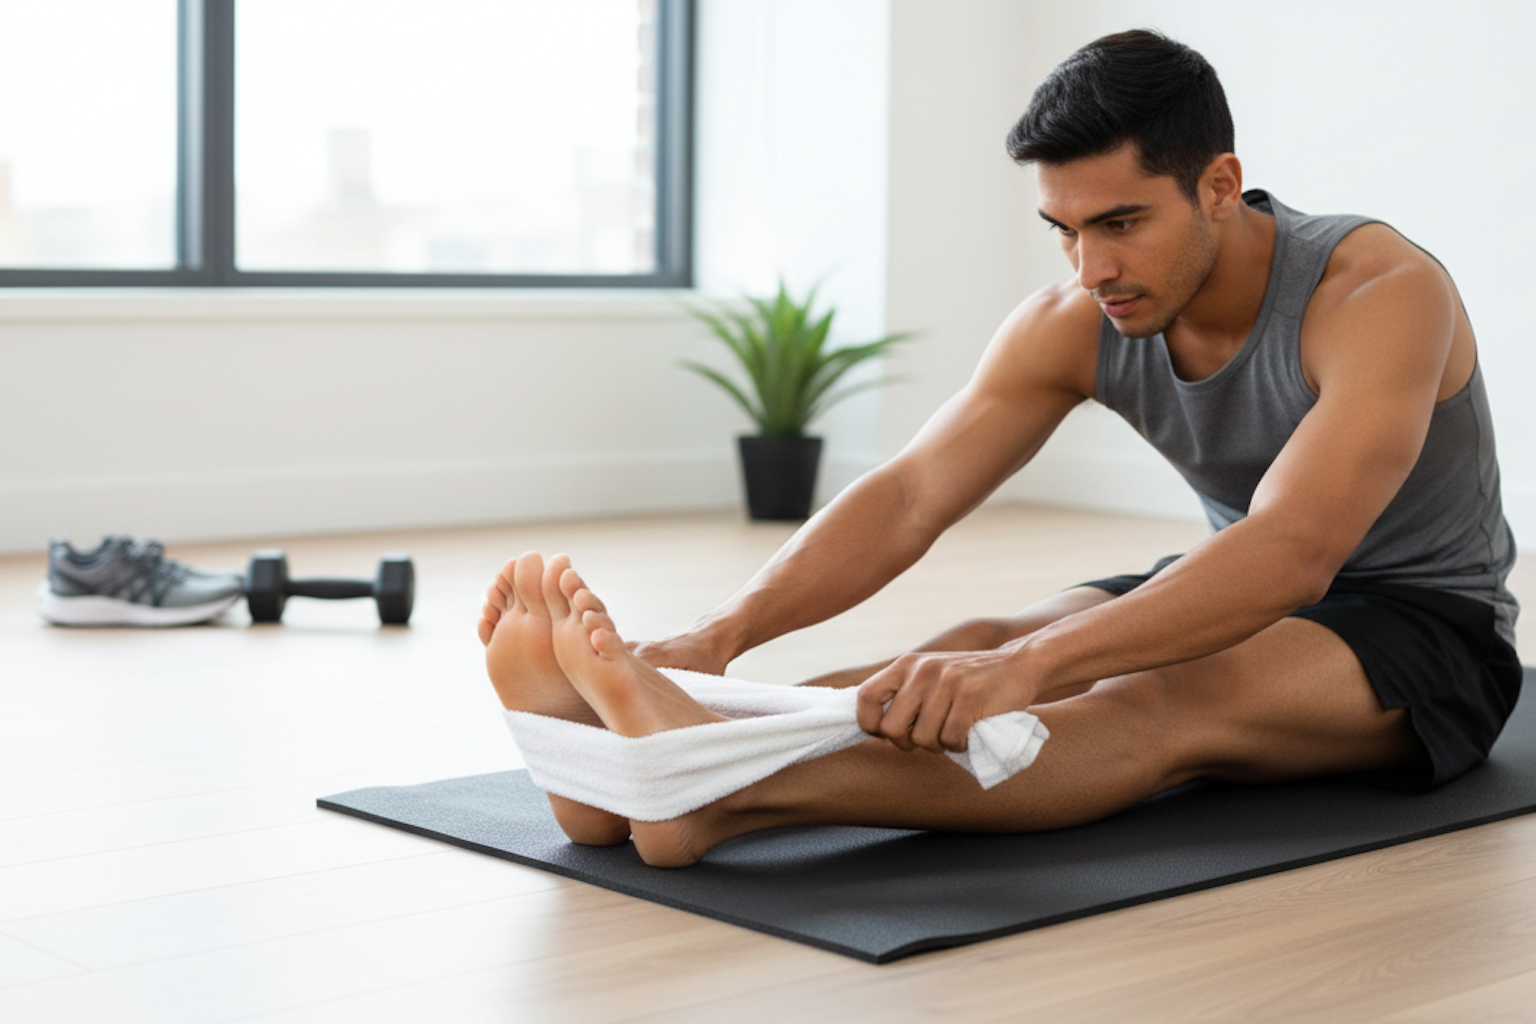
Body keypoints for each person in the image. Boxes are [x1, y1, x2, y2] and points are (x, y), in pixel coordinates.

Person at [479, 29, 1521, 867]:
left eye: (1120, 222)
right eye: (1064, 228)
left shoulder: (1377, 294)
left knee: (1142, 696)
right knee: (977, 633)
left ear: (1218, 183)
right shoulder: (1078, 314)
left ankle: (701, 775)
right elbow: (911, 495)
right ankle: (675, 767)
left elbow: (1296, 547)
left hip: (1419, 625)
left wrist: (1028, 668)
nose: (1092, 265)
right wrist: (721, 633)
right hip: (1228, 576)